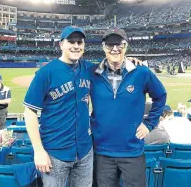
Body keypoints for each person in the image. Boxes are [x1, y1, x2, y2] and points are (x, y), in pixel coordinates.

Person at [23, 26, 142, 187]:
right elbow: (30, 112)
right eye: (71, 41)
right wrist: (38, 150)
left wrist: (127, 60)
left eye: (80, 42)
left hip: (85, 152)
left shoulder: (89, 69)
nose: (76, 45)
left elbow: (113, 62)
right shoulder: (45, 73)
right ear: (61, 44)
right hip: (55, 153)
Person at [89, 28, 167, 187]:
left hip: (132, 150)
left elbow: (160, 96)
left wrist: (149, 124)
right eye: (110, 44)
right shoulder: (92, 73)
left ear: (126, 46)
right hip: (102, 152)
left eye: (119, 44)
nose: (115, 48)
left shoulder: (142, 72)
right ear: (103, 47)